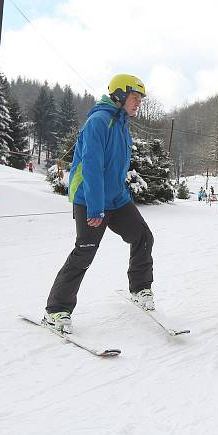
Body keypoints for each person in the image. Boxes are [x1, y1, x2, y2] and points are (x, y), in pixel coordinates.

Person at [43, 74, 155, 334]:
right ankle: (56, 310)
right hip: (90, 199)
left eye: (140, 99)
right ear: (119, 95)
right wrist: (95, 207)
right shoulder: (98, 122)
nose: (138, 103)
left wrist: (120, 194)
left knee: (143, 237)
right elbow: (92, 167)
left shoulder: (121, 125)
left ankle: (140, 289)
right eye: (135, 97)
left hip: (116, 198)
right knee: (84, 252)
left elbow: (115, 167)